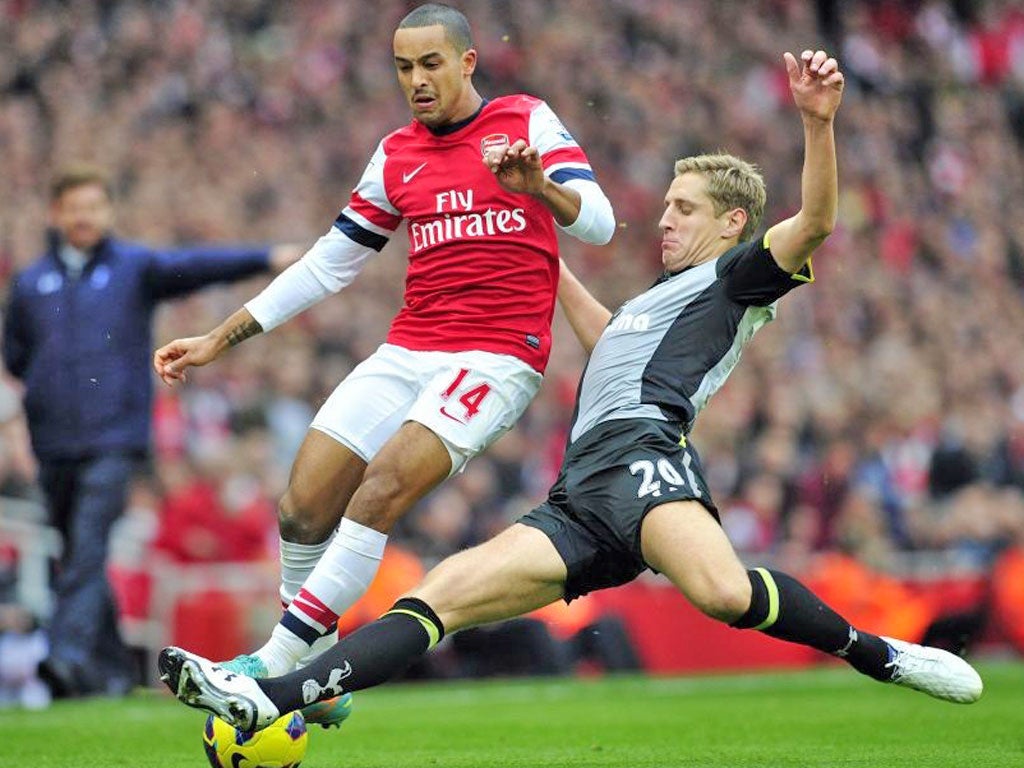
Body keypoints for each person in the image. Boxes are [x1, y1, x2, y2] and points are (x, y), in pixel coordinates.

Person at [157, 49, 984, 733]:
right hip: (580, 490)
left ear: (732, 224)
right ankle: (274, 697)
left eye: (683, 209)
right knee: (436, 596)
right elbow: (563, 288)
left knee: (725, 594)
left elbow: (818, 223)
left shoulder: (736, 279)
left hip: (643, 461)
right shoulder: (640, 311)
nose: (663, 220)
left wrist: (817, 121)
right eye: (664, 204)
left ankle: (883, 655)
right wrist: (514, 210)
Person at [151, 2, 614, 726]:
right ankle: (321, 672)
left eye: (431, 64)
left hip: (497, 358)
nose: (417, 80)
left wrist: (541, 190)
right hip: (408, 350)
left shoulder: (527, 120)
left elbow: (601, 221)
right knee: (302, 507)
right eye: (404, 67)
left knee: (379, 491)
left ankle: (271, 667)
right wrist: (221, 336)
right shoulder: (396, 154)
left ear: (466, 61)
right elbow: (328, 264)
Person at [1, 164, 297, 699]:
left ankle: (65, 657)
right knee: (76, 553)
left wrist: (266, 257)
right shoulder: (30, 284)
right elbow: (17, 359)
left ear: (108, 212)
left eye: (93, 206)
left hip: (115, 439)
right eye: (74, 207)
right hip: (54, 443)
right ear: (57, 213)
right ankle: (111, 673)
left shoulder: (132, 267)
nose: (84, 217)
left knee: (88, 545)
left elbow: (196, 265)